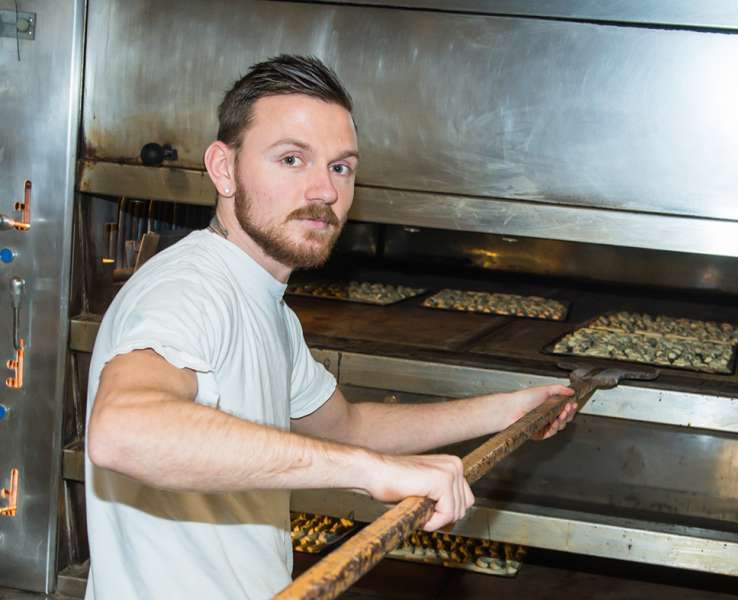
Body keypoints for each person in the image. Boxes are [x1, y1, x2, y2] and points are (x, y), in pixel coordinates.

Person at [84, 55, 577, 600]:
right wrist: (370, 472)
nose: (323, 190)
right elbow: (123, 432)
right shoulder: (189, 288)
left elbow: (346, 428)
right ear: (224, 169)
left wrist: (504, 409)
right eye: (292, 159)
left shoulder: (267, 306)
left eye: (340, 167)